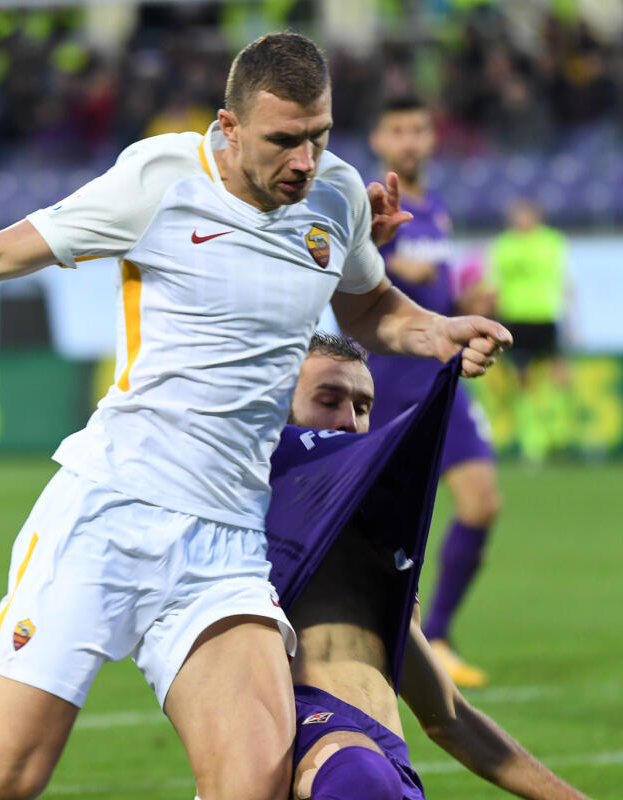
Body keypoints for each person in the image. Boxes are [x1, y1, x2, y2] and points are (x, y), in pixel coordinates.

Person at [0, 33, 510, 800]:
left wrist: (434, 332)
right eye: (284, 140)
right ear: (228, 128)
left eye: (319, 136)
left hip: (226, 542)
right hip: (112, 509)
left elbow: (369, 303)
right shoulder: (160, 178)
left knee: (253, 784)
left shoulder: (335, 195)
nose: (305, 160)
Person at [266, 333, 587, 799]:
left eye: (362, 406)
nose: (350, 423)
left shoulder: (379, 543)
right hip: (323, 748)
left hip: (387, 759)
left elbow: (449, 720)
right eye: (328, 400)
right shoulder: (254, 513)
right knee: (363, 778)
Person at [366, 95, 502, 688]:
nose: (411, 141)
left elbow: (438, 298)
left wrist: (467, 306)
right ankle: (375, 636)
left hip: (443, 380)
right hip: (387, 381)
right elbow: (356, 283)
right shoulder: (370, 205)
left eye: (419, 129)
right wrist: (387, 260)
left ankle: (438, 633)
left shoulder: (436, 211)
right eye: (398, 130)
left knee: (481, 501)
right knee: (374, 527)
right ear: (378, 140)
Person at [486, 197, 571, 464]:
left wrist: (570, 322)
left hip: (545, 316)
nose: (521, 219)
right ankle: (532, 442)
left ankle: (557, 435)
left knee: (558, 377)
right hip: (516, 319)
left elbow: (564, 282)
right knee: (522, 381)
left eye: (525, 214)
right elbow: (493, 286)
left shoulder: (552, 242)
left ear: (536, 216)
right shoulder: (502, 246)